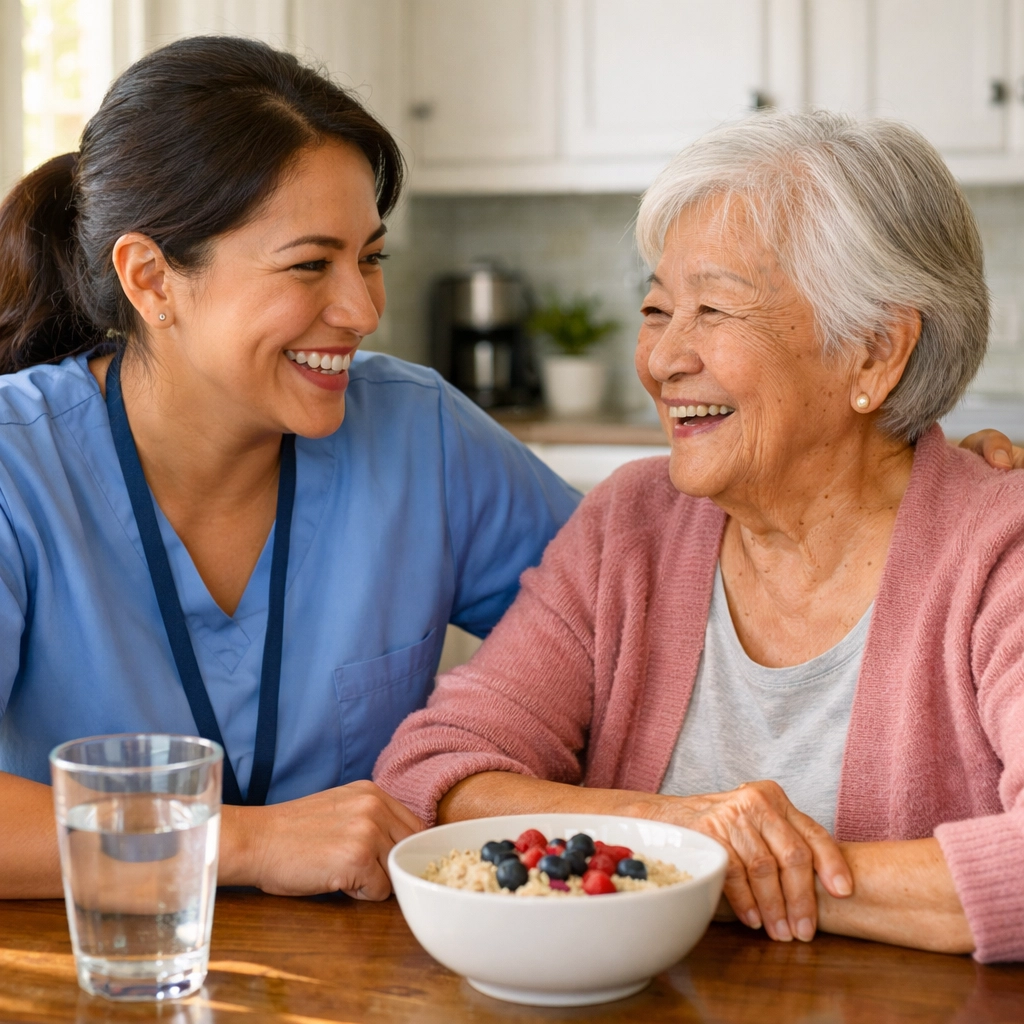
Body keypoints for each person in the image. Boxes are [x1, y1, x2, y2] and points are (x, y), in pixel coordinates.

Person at [375, 111, 1024, 963]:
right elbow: (436, 771)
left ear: (874, 353)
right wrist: (675, 827)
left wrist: (720, 873)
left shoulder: (998, 553)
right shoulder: (633, 524)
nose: (661, 358)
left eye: (712, 308)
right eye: (655, 307)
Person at [0, 36, 579, 901]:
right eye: (311, 265)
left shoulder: (421, 436)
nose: (363, 309)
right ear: (152, 279)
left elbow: (627, 626)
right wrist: (249, 843)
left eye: (371, 258)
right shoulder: (17, 470)